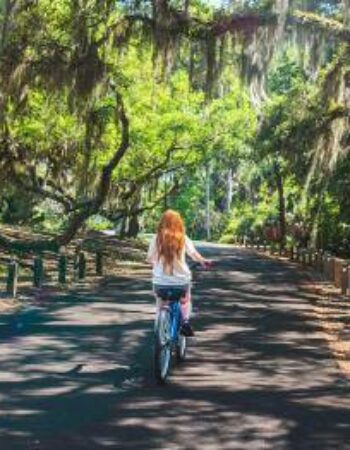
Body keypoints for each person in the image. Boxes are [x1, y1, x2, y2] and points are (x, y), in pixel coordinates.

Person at [147, 209, 209, 337]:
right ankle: (185, 322)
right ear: (178, 223)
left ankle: (159, 323)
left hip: (160, 282)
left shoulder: (156, 238)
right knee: (185, 301)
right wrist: (203, 261)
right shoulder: (183, 238)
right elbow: (194, 254)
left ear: (162, 222)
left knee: (160, 303)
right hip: (181, 281)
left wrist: (157, 266)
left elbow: (149, 259)